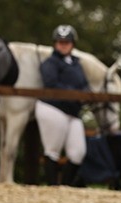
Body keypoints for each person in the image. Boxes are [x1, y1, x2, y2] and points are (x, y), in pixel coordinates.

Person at [35, 24, 88, 186]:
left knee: (78, 152)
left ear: (73, 44)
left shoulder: (77, 64)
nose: (63, 45)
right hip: (53, 108)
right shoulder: (49, 63)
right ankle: (52, 187)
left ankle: (66, 186)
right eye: (60, 42)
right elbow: (51, 84)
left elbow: (84, 84)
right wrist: (75, 94)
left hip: (73, 112)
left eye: (67, 42)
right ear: (55, 44)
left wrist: (85, 93)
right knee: (52, 150)